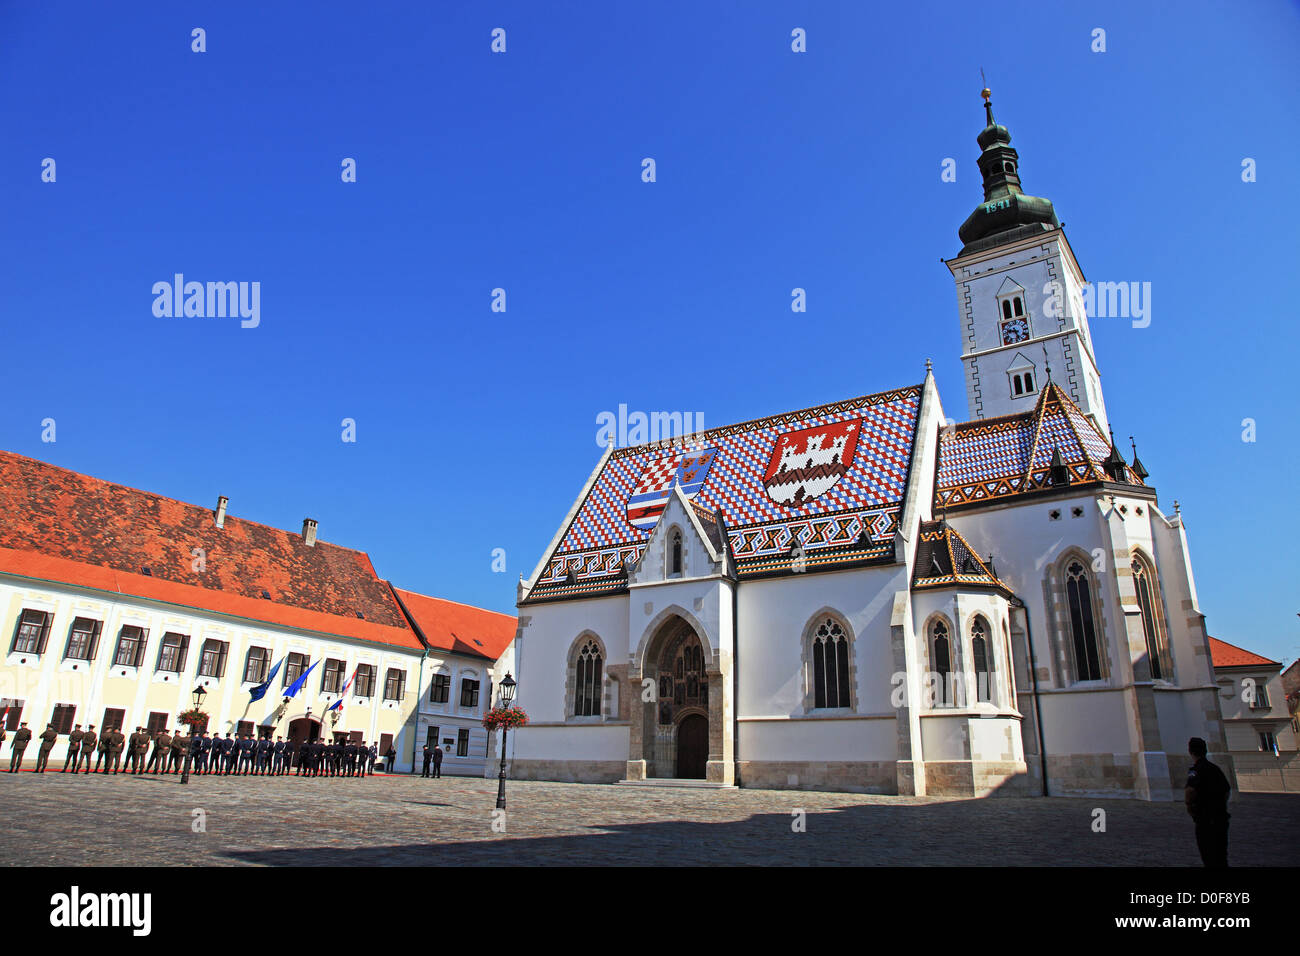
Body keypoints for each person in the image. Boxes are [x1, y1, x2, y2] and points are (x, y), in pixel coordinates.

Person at [1185, 736, 1231, 868]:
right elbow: (1227, 791)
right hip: (1220, 818)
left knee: (1208, 855)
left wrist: (1192, 810)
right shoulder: (1215, 769)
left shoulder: (1196, 770)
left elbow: (1190, 792)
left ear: (1191, 752)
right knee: (1221, 856)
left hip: (1204, 819)